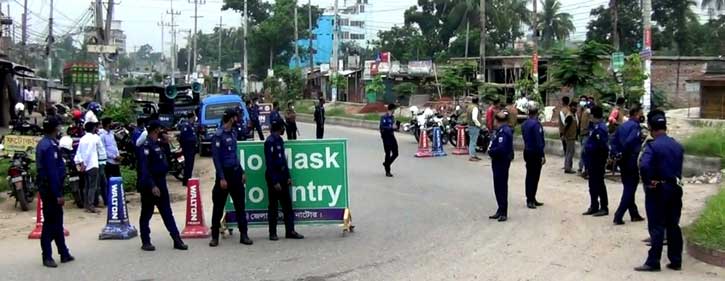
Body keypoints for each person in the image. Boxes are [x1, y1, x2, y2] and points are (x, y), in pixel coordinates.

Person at [634, 110, 684, 272]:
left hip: (658, 190)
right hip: (675, 188)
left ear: (652, 129)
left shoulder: (653, 146)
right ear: (665, 127)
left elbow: (644, 165)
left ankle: (653, 261)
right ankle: (676, 260)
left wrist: (649, 181)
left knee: (657, 226)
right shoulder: (677, 145)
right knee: (673, 225)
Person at [137, 120, 188, 251]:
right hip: (150, 184)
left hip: (161, 181)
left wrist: (167, 141)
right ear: (155, 130)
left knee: (167, 212)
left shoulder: (158, 144)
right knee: (146, 213)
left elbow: (169, 156)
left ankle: (177, 240)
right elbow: (144, 169)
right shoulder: (146, 146)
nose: (162, 132)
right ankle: (146, 241)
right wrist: (153, 186)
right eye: (160, 130)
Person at [209, 109, 252, 247]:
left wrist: (242, 171)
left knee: (240, 205)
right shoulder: (218, 135)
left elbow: (234, 155)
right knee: (218, 207)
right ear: (231, 119)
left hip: (235, 173)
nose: (237, 119)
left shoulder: (233, 133)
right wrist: (221, 178)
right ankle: (214, 236)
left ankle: (244, 235)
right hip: (224, 175)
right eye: (235, 117)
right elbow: (216, 159)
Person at [36, 118, 74, 268]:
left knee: (57, 222)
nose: (59, 129)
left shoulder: (46, 143)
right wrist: (58, 194)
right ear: (54, 129)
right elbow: (52, 173)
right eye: (58, 127)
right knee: (50, 224)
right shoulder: (49, 146)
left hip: (50, 188)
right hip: (51, 190)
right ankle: (47, 256)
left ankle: (63, 252)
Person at [264, 121, 305, 240]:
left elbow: (283, 160)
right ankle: (272, 233)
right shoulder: (269, 142)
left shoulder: (280, 141)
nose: (284, 130)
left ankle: (290, 231)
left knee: (287, 206)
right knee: (273, 207)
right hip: (274, 177)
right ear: (279, 128)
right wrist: (274, 181)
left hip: (282, 175)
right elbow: (269, 163)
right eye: (283, 128)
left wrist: (288, 176)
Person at [612, 105, 646, 225]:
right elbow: (630, 141)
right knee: (630, 188)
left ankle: (634, 213)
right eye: (641, 113)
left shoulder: (622, 126)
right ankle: (619, 215)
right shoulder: (635, 127)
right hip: (630, 160)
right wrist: (624, 153)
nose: (642, 115)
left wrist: (617, 154)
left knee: (628, 186)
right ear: (636, 114)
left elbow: (614, 141)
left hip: (622, 161)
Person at [582, 106, 610, 217]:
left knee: (599, 183)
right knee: (592, 184)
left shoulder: (601, 128)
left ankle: (604, 207)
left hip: (598, 159)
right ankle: (594, 205)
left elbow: (603, 146)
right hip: (591, 159)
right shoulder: (594, 126)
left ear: (593, 116)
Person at [488, 110, 514, 222]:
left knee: (501, 187)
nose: (493, 122)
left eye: (494, 120)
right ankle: (500, 209)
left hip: (501, 162)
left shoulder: (504, 132)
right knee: (498, 187)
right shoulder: (501, 130)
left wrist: (491, 151)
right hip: (498, 162)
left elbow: (501, 149)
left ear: (498, 121)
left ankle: (503, 211)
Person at [521, 103, 545, 209]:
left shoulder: (524, 124)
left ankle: (531, 197)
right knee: (534, 176)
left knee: (529, 175)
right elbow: (539, 142)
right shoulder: (536, 124)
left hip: (527, 151)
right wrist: (542, 155)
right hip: (535, 152)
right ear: (537, 113)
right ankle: (531, 199)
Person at [74, 122, 101, 213]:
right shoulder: (92, 139)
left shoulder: (82, 139)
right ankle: (91, 205)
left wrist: (81, 163)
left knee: (87, 185)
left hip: (84, 166)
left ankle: (86, 204)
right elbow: (89, 152)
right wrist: (85, 163)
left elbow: (79, 152)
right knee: (92, 186)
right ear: (93, 128)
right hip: (92, 164)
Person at [177, 112, 197, 186]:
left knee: (190, 165)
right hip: (188, 148)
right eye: (194, 117)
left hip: (192, 148)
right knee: (188, 165)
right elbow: (183, 137)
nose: (195, 118)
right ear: (191, 117)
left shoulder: (192, 125)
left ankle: (189, 179)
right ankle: (186, 181)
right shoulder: (186, 125)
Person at [380, 103, 399, 177]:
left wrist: (396, 128)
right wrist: (391, 127)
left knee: (396, 153)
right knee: (388, 153)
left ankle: (386, 163)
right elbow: (382, 127)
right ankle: (388, 171)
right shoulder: (384, 117)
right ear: (392, 109)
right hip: (386, 137)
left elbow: (393, 127)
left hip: (391, 136)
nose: (395, 111)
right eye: (394, 109)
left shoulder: (392, 117)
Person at [561, 99, 578, 174]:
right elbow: (565, 126)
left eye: (576, 107)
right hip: (569, 137)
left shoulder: (572, 115)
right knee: (570, 152)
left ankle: (567, 166)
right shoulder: (570, 116)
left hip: (571, 136)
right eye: (573, 107)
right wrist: (563, 134)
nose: (575, 108)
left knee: (569, 152)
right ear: (570, 107)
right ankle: (568, 168)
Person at [577, 96, 592, 176]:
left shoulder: (588, 111)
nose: (582, 102)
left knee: (583, 151)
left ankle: (582, 168)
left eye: (584, 100)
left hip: (586, 133)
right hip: (581, 134)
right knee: (582, 151)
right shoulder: (580, 111)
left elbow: (591, 122)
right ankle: (581, 167)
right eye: (581, 100)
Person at [466, 97, 483, 161]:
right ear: (477, 101)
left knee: (473, 141)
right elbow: (474, 118)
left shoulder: (469, 107)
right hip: (474, 126)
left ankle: (474, 155)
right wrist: (479, 125)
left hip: (470, 125)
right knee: (473, 142)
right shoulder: (475, 108)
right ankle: (472, 156)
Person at [558, 96, 571, 160]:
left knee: (566, 148)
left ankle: (567, 163)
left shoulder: (562, 111)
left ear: (563, 102)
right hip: (571, 132)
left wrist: (563, 133)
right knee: (569, 149)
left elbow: (564, 123)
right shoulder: (570, 110)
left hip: (564, 132)